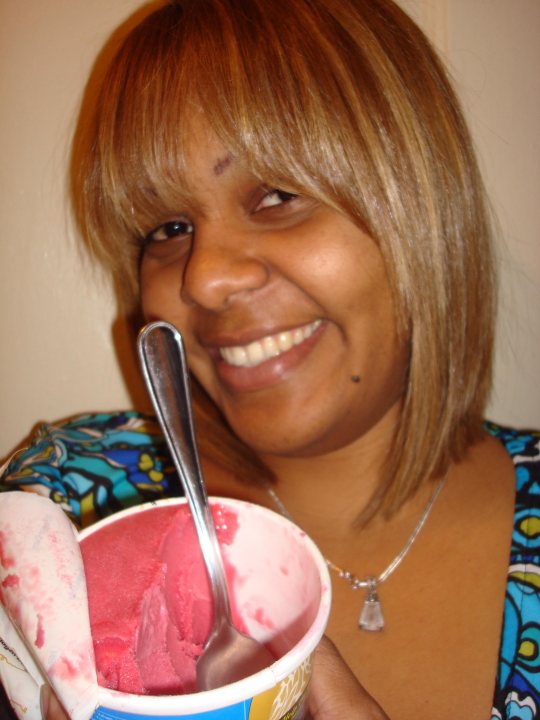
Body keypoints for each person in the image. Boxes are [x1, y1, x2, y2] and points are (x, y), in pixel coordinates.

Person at [1, 0, 539, 718]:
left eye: (278, 195)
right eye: (168, 226)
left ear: (422, 210)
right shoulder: (55, 517)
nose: (205, 278)